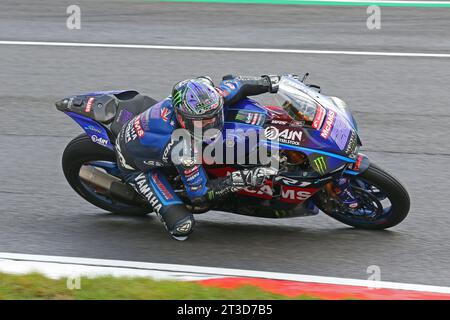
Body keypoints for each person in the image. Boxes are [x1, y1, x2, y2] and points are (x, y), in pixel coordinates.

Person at [115, 75, 280, 240]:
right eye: (203, 122)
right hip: (136, 166)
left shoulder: (210, 98)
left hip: (151, 132)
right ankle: (157, 196)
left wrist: (273, 82)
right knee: (182, 227)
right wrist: (241, 179)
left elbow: (239, 84)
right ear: (182, 118)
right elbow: (200, 196)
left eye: (214, 116)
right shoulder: (182, 149)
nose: (211, 124)